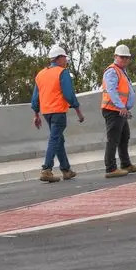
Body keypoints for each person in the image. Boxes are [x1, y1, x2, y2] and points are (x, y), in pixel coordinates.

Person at [32, 45, 85, 183]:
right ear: (59, 58)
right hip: (58, 111)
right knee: (55, 139)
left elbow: (35, 97)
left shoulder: (41, 74)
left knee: (58, 140)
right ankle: (46, 169)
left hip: (46, 113)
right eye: (65, 58)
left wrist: (36, 114)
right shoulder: (62, 72)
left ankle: (66, 170)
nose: (66, 61)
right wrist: (78, 111)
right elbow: (69, 94)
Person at [101, 44, 136, 178]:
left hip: (119, 110)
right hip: (113, 110)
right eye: (122, 57)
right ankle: (111, 168)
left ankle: (125, 164)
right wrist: (120, 106)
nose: (125, 60)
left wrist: (124, 108)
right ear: (115, 57)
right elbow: (112, 91)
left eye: (127, 58)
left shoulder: (121, 71)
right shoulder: (112, 71)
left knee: (124, 137)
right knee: (113, 139)